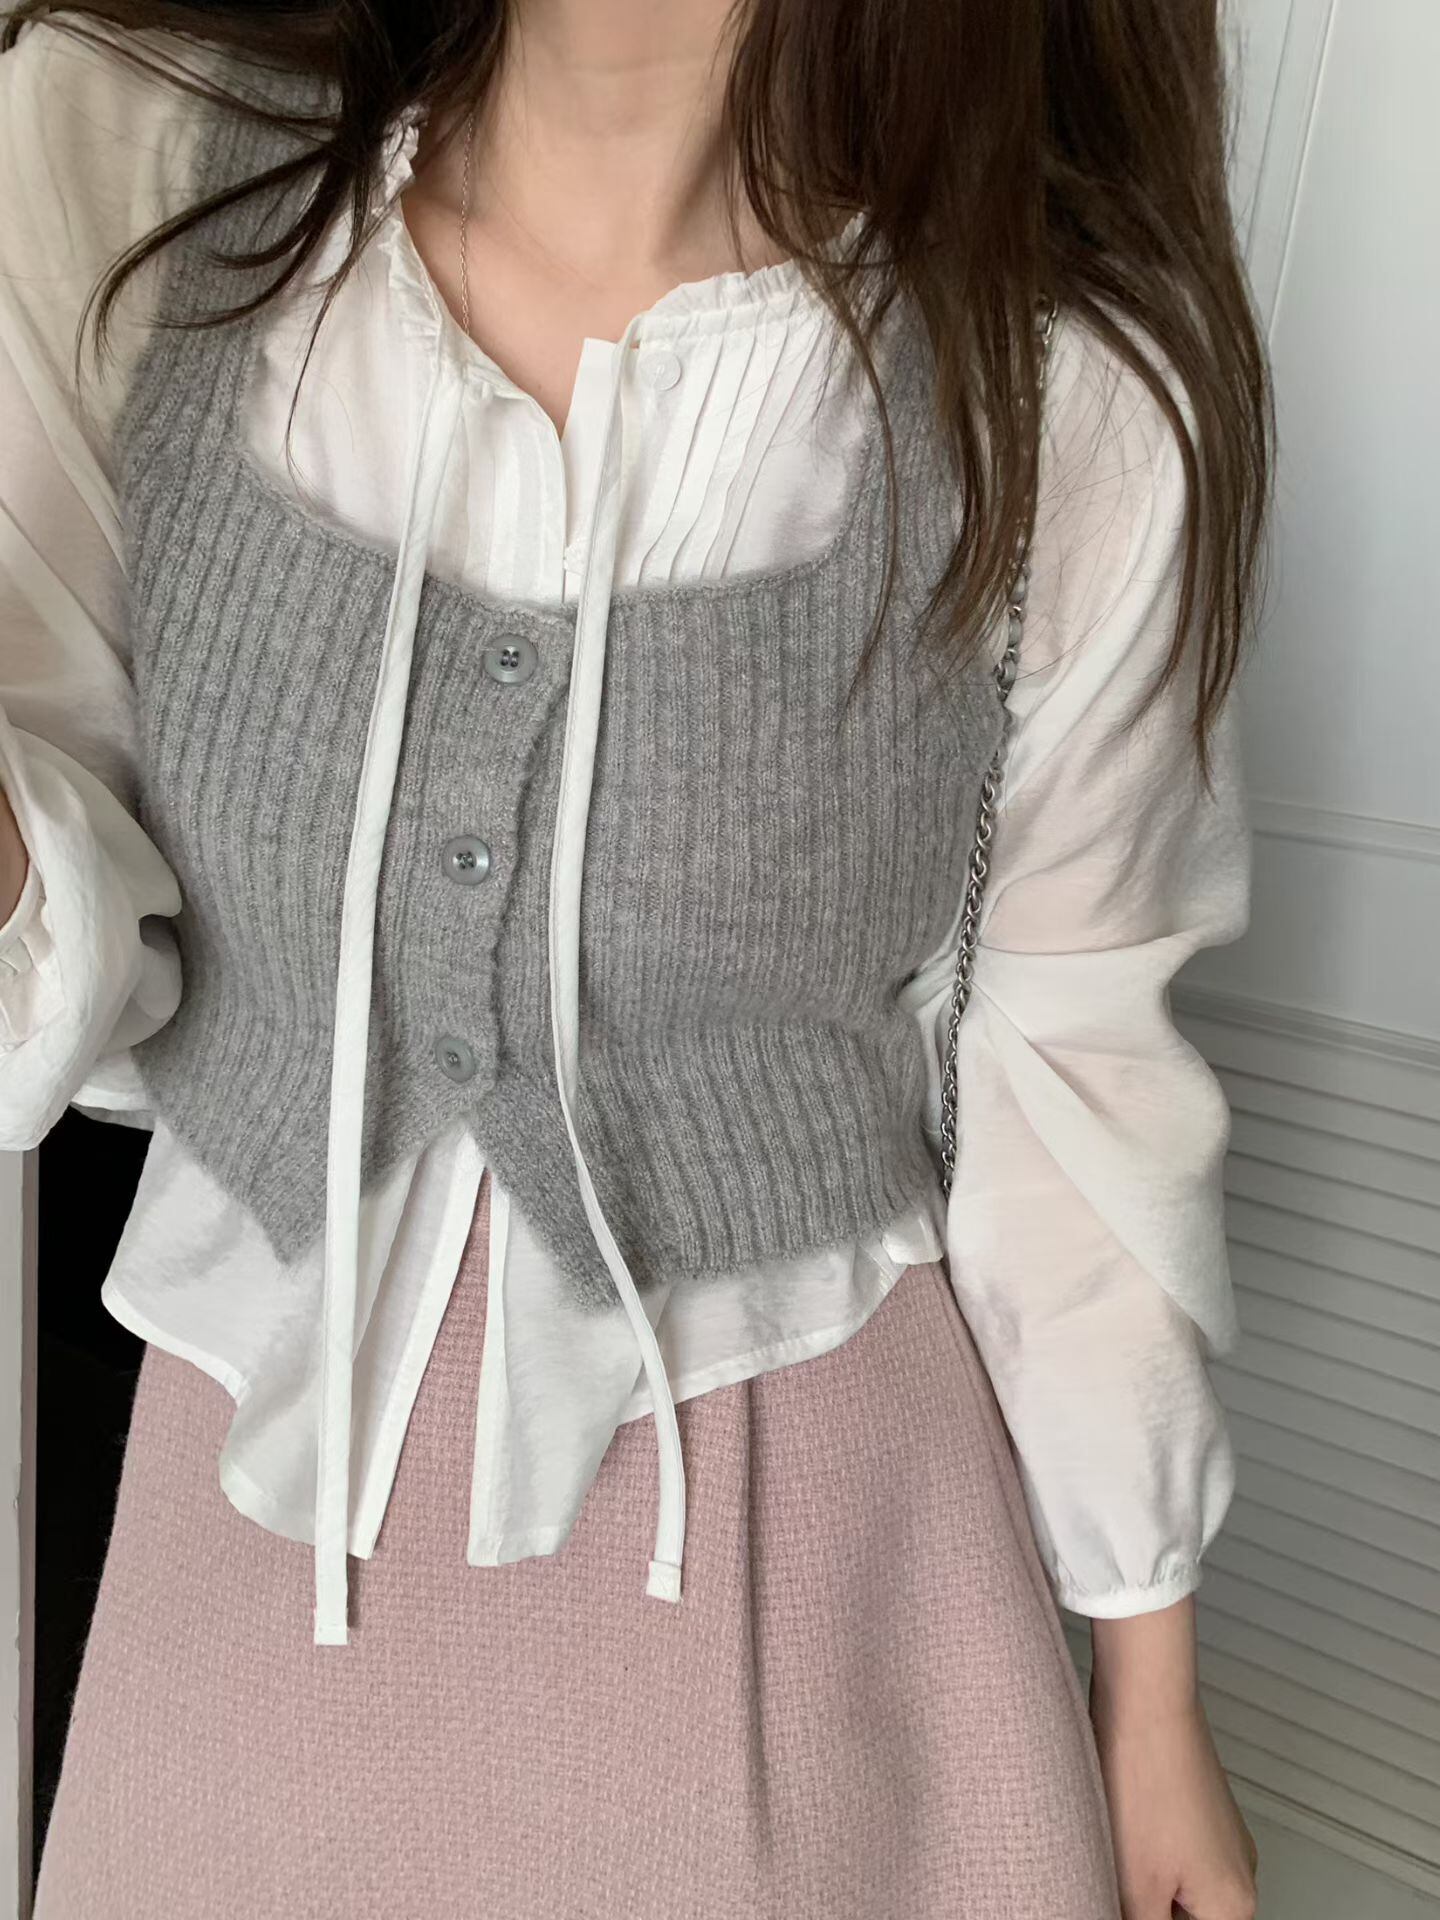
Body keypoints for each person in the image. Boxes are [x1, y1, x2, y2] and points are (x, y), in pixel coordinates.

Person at [0, 3, 1269, 1916]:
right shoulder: (126, 170)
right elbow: (72, 926)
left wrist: (1147, 1690)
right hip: (245, 1559)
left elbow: (1074, 1049)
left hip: (826, 1581)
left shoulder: (1062, 390)